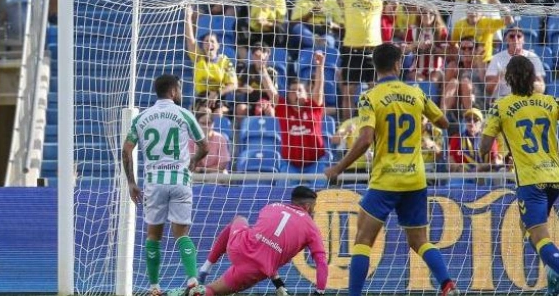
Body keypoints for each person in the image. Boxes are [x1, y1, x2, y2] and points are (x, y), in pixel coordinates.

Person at [324, 43, 459, 296]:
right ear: (398, 64)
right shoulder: (416, 93)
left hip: (386, 179)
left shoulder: (370, 97)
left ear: (375, 67)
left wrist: (338, 168)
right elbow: (443, 122)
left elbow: (364, 140)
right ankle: (446, 283)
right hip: (415, 179)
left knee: (363, 241)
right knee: (420, 241)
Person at [122, 74, 209, 296]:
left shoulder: (142, 118)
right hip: (180, 181)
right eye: (179, 88)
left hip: (154, 183)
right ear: (173, 91)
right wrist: (193, 160)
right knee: (181, 233)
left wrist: (132, 182)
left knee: (153, 236)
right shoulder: (184, 114)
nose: (180, 92)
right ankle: (192, 282)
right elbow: (205, 146)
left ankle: (154, 288)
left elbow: (127, 149)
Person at [481, 55, 559, 296]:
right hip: (556, 175)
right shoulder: (550, 101)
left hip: (530, 180)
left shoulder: (501, 107)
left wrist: (498, 154)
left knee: (537, 235)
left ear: (508, 79)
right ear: (534, 77)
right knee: (525, 227)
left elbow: (484, 148)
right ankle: (554, 281)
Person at [195, 186, 328, 296]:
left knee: (239, 220)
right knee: (212, 291)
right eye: (314, 207)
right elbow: (321, 262)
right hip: (252, 270)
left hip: (239, 245)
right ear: (308, 206)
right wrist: (320, 291)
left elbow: (264, 244)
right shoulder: (312, 228)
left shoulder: (272, 207)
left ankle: (205, 268)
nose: (313, 211)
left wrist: (278, 283)